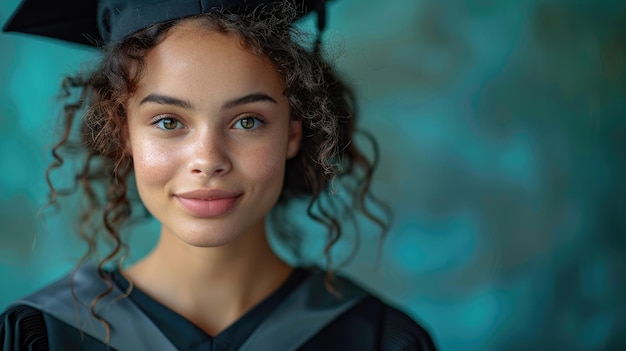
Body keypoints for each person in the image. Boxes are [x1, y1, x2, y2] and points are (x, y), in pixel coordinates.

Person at [1, 0, 437, 350]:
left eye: (248, 121)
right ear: (123, 136)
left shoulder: (377, 338)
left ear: (292, 134)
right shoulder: (44, 335)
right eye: (169, 121)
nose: (208, 160)